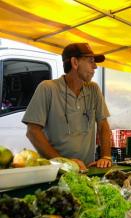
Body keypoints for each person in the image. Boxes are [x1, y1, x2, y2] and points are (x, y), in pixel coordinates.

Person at [22, 43, 112, 171]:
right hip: (55, 173)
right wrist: (63, 163)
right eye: (90, 61)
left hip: (86, 171)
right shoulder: (48, 88)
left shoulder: (93, 89)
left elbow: (103, 124)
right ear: (75, 62)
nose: (95, 66)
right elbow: (32, 131)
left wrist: (106, 156)